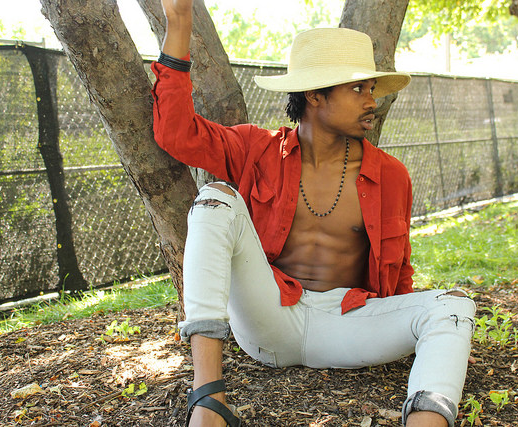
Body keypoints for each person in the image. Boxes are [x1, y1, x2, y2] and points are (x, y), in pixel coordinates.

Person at [152, 1, 476, 426]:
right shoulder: (257, 150)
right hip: (269, 319)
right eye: (358, 89)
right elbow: (176, 132)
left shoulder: (390, 175)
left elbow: (400, 271)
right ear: (315, 94)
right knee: (215, 199)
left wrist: (423, 331)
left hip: (347, 324)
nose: (372, 101)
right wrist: (178, 23)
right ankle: (209, 401)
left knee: (454, 306)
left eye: (371, 89)